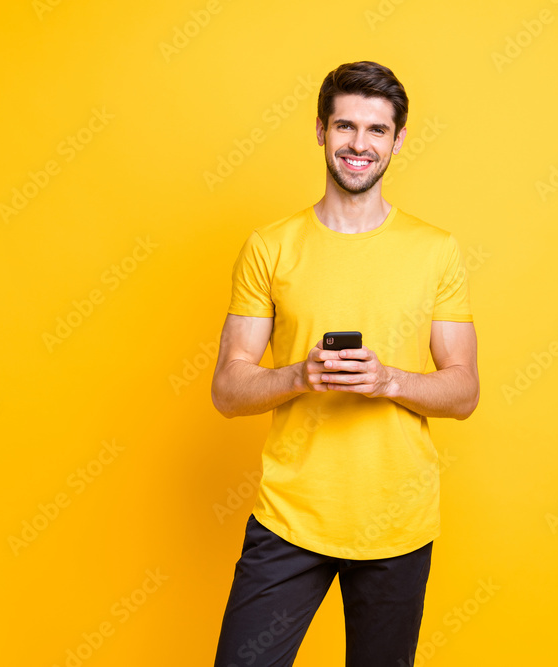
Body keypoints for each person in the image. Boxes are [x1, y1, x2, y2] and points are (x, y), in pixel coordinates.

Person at [211, 60, 479, 667]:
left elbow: (463, 392)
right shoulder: (270, 247)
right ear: (321, 131)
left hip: (397, 522)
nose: (359, 144)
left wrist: (387, 380)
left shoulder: (436, 251)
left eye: (376, 130)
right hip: (290, 517)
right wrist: (299, 375)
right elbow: (228, 389)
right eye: (345, 127)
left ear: (398, 140)